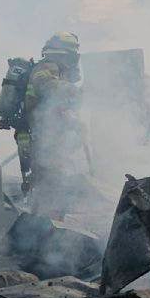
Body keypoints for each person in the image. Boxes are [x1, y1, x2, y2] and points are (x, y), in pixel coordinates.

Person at [23, 32, 94, 214]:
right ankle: (44, 221)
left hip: (51, 136)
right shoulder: (47, 66)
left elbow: (57, 105)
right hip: (44, 138)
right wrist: (79, 92)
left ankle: (49, 217)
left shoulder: (57, 71)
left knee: (54, 180)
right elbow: (47, 85)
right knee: (50, 181)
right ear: (66, 54)